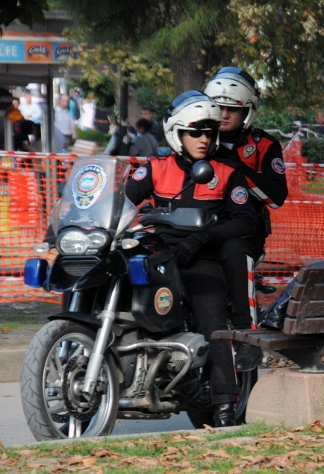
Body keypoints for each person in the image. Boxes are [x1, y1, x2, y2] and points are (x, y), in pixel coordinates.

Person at [125, 90, 258, 426]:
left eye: (209, 132)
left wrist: (203, 238)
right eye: (195, 131)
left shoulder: (226, 171)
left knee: (210, 316)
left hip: (203, 259)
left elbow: (245, 219)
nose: (203, 138)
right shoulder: (155, 168)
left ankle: (227, 403)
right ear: (176, 132)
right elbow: (121, 199)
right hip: (160, 254)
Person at [203, 66, 288, 370]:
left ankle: (246, 334)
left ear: (247, 112)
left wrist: (235, 169)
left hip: (242, 229)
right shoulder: (197, 137)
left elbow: (276, 196)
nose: (223, 115)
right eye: (218, 107)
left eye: (232, 110)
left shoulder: (264, 145)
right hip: (197, 224)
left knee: (235, 252)